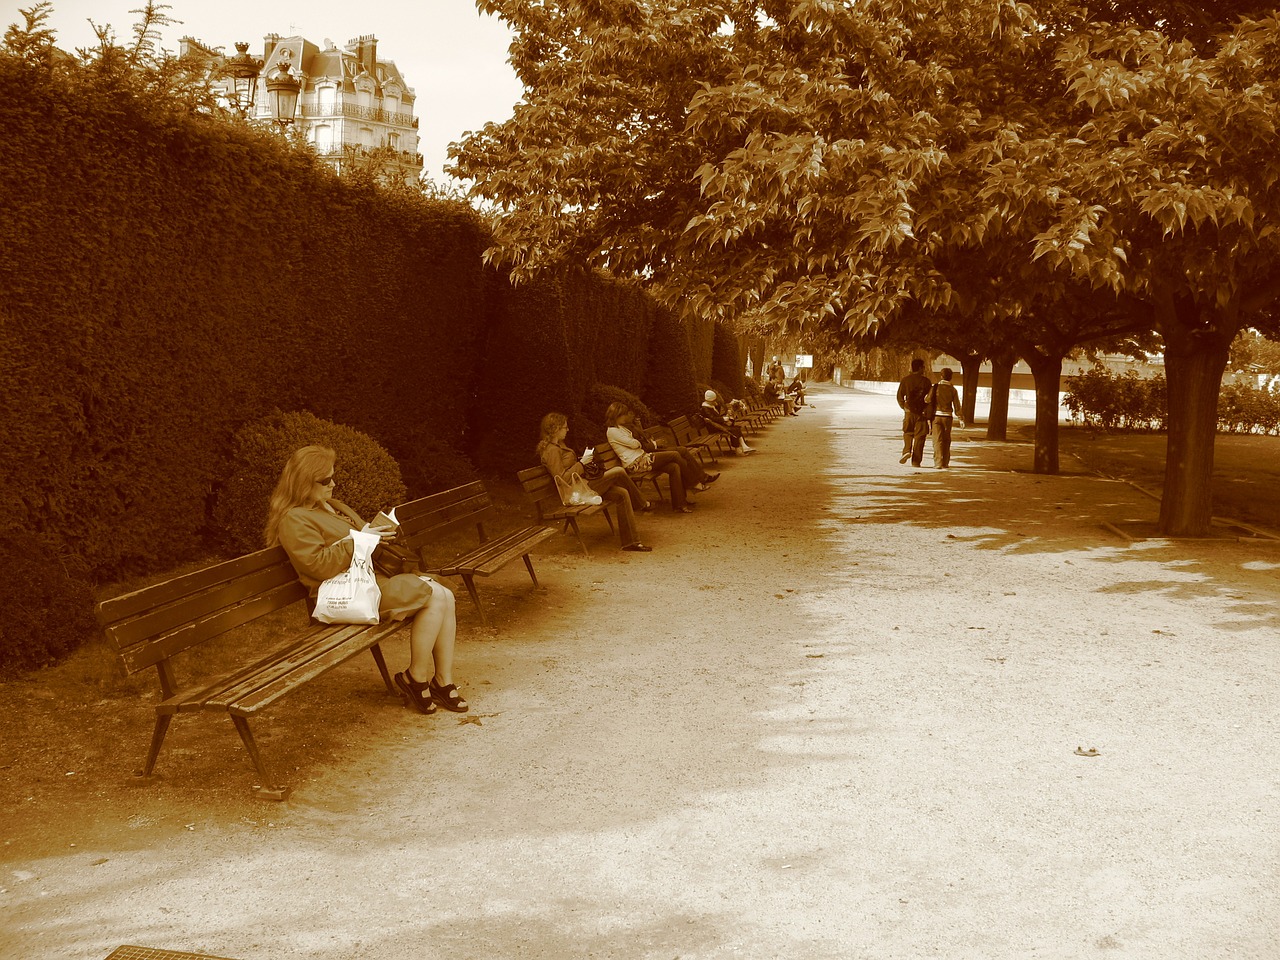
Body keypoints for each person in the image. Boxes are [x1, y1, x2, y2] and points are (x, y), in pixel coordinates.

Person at [265, 445, 467, 715]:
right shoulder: (294, 519)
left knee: (445, 594)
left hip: (369, 581)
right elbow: (317, 566)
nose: (333, 484)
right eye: (325, 481)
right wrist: (359, 540)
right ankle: (416, 678)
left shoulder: (333, 506)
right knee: (432, 595)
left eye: (333, 477)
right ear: (304, 483)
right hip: (344, 594)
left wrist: (376, 534)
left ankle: (442, 680)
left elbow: (361, 539)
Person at [537, 412, 652, 551]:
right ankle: (641, 503)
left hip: (583, 485)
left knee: (622, 493)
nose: (567, 430)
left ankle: (631, 543)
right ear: (555, 429)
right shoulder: (552, 451)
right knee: (619, 471)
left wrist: (583, 461)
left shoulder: (559, 446)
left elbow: (569, 469)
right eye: (564, 427)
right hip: (576, 492)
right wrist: (582, 464)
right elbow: (562, 479)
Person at [605, 402, 698, 513]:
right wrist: (636, 443)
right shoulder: (612, 431)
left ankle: (680, 504)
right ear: (616, 415)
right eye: (623, 414)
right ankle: (692, 482)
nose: (626, 416)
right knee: (675, 454)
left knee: (674, 467)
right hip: (635, 464)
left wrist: (636, 440)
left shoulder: (621, 428)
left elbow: (636, 442)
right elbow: (634, 444)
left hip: (642, 458)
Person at [896, 359, 933, 468]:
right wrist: (927, 411)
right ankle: (916, 461)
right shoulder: (926, 381)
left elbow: (899, 396)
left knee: (908, 432)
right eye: (924, 367)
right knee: (920, 436)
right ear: (921, 368)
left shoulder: (905, 380)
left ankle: (907, 450)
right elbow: (930, 399)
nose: (924, 369)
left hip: (909, 411)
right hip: (921, 412)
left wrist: (904, 407)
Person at [929, 368, 965, 468]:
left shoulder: (935, 388)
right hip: (948, 417)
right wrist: (961, 418)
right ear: (951, 377)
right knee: (946, 439)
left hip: (936, 416)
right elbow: (957, 405)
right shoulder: (953, 390)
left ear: (941, 376)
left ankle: (938, 463)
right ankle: (945, 462)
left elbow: (927, 399)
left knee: (937, 440)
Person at [700, 390, 755, 454]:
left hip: (717, 424)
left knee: (736, 428)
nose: (715, 401)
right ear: (710, 400)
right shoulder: (705, 408)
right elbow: (712, 418)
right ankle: (738, 449)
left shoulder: (711, 406)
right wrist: (723, 419)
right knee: (734, 430)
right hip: (713, 427)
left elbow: (717, 414)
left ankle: (744, 447)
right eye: (713, 400)